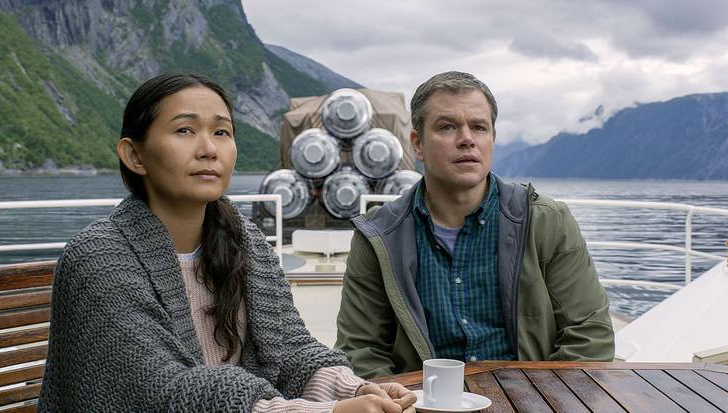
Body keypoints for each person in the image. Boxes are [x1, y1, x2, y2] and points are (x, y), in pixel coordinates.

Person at [38, 73, 416, 412]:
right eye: (185, 130)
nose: (209, 149)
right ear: (134, 155)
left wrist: (355, 390)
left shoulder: (244, 241)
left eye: (222, 132)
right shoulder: (99, 257)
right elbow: (160, 391)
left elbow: (292, 352)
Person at [335, 71, 614, 378]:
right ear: (417, 145)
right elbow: (361, 352)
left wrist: (542, 401)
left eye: (479, 127)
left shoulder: (547, 222)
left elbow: (589, 336)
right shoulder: (379, 237)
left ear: (492, 138)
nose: (467, 139)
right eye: (447, 127)